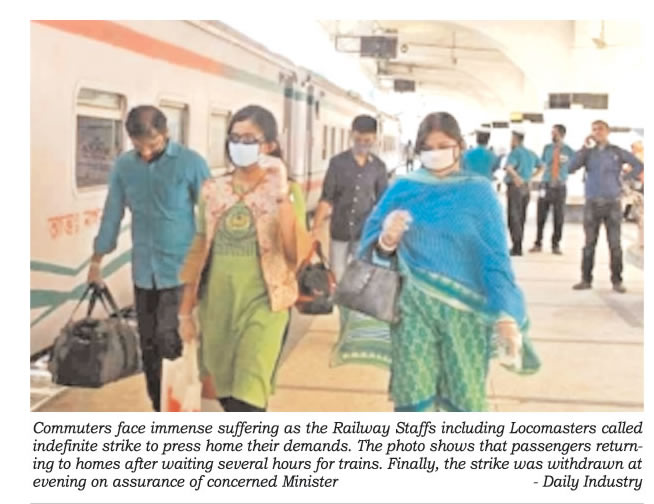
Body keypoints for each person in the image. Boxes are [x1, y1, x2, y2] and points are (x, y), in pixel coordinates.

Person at [357, 112, 540, 412]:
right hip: (412, 309)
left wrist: (507, 314)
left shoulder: (479, 193)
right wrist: (386, 241)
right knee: (412, 397)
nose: (435, 153)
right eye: (428, 148)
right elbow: (368, 249)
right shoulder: (403, 188)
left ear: (460, 147)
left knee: (464, 397)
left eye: (443, 146)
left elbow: (495, 257)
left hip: (466, 314)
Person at [177, 105, 310, 412]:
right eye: (234, 138)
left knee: (248, 399)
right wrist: (185, 313)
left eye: (249, 139)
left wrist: (281, 196)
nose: (240, 145)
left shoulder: (288, 192)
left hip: (266, 305)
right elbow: (199, 248)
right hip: (217, 307)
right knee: (225, 394)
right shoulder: (212, 190)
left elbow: (296, 253)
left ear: (270, 146)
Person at [88, 105, 210, 411]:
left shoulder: (190, 163)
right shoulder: (124, 167)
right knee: (149, 347)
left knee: (170, 340)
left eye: (152, 144)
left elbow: (212, 214)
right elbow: (112, 214)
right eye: (138, 145)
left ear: (166, 133)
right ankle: (160, 407)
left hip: (180, 271)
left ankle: (178, 407)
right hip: (144, 272)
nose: (145, 152)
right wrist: (96, 261)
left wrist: (211, 265)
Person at [568, 120, 643, 293]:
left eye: (600, 129)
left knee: (615, 245)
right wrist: (583, 147)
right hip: (592, 203)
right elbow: (571, 168)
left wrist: (624, 178)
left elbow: (639, 165)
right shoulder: (588, 153)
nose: (597, 132)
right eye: (594, 129)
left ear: (607, 132)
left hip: (612, 203)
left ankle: (617, 281)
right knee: (589, 244)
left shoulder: (616, 152)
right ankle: (586, 279)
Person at [312, 115, 388, 282]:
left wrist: (383, 232)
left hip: (364, 233)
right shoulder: (337, 163)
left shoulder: (378, 167)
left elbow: (383, 202)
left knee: (360, 278)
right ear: (352, 135)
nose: (362, 144)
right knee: (336, 276)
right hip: (339, 230)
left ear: (375, 139)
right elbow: (326, 198)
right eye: (358, 139)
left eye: (367, 140)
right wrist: (315, 229)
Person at [529, 124, 576, 255]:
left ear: (562, 134)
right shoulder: (547, 148)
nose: (552, 135)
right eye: (552, 133)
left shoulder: (569, 151)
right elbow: (542, 164)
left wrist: (565, 171)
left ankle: (556, 244)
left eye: (554, 133)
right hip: (545, 184)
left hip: (560, 186)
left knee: (558, 217)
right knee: (541, 215)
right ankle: (538, 243)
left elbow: (574, 166)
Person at [504, 130, 543, 256]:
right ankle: (518, 244)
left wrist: (517, 177)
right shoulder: (531, 153)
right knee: (521, 217)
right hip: (527, 188)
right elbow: (542, 166)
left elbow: (509, 167)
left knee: (513, 217)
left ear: (515, 139)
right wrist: (531, 176)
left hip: (515, 187)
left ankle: (517, 247)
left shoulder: (515, 152)